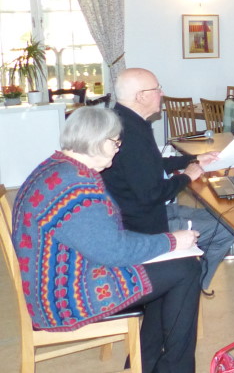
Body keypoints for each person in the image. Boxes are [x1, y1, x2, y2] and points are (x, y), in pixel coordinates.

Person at [13, 107, 202, 372]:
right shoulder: (77, 187)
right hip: (66, 296)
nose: (117, 149)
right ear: (100, 142)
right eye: (115, 142)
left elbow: (104, 237)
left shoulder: (57, 168)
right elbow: (114, 251)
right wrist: (172, 242)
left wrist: (164, 243)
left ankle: (145, 363)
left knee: (170, 270)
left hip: (59, 278)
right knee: (186, 269)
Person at [102, 68, 233, 293]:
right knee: (227, 229)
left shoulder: (124, 121)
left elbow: (149, 165)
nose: (162, 93)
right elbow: (153, 193)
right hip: (146, 226)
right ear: (141, 96)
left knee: (223, 216)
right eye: (157, 89)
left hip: (141, 212)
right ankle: (190, 288)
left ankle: (186, 282)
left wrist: (193, 159)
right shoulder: (130, 135)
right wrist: (187, 176)